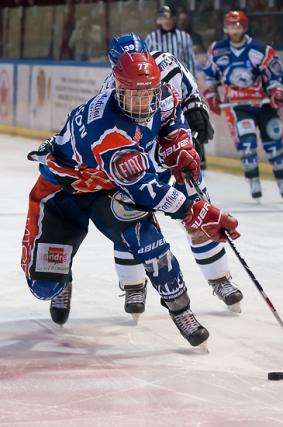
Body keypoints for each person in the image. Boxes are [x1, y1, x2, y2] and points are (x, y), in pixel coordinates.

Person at [21, 52, 240, 347]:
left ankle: (182, 311)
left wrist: (180, 150)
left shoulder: (162, 96)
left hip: (109, 188)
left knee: (150, 243)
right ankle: (62, 276)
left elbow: (173, 124)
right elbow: (146, 189)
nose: (141, 102)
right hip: (65, 192)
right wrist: (196, 211)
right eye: (132, 95)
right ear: (117, 89)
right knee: (43, 287)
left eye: (147, 93)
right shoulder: (107, 131)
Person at [102, 33, 243, 320]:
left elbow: (189, 96)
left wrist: (196, 116)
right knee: (131, 224)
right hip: (138, 165)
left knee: (200, 214)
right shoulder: (109, 92)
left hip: (175, 154)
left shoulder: (167, 63)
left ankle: (221, 279)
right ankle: (133, 285)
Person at [203, 10, 283, 201]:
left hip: (263, 104)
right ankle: (253, 181)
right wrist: (211, 94)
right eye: (230, 26)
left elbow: (274, 74)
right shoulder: (217, 50)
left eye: (237, 26)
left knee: (274, 144)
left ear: (244, 26)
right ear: (225, 27)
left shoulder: (261, 50)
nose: (234, 30)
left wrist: (276, 91)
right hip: (238, 106)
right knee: (247, 143)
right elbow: (210, 76)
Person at [103, 33, 213, 167]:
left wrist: (195, 110)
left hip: (177, 134)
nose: (137, 66)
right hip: (145, 152)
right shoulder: (109, 90)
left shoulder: (166, 62)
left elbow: (190, 92)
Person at [145, 6, 196, 74]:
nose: (167, 21)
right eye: (164, 18)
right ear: (159, 20)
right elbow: (146, 60)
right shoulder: (151, 37)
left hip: (180, 78)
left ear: (174, 19)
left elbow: (190, 61)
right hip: (159, 79)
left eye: (170, 18)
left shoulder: (184, 37)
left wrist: (192, 80)